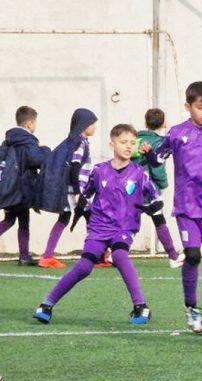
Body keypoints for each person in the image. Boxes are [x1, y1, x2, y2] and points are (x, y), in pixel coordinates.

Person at [33, 124, 162, 325]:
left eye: (132, 143)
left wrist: (152, 208)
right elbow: (86, 194)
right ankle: (47, 305)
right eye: (123, 142)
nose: (129, 146)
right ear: (112, 145)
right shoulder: (100, 170)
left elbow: (155, 196)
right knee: (84, 266)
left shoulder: (139, 172)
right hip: (100, 227)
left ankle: (140, 306)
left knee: (119, 255)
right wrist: (82, 208)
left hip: (124, 227)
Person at [141, 81, 202, 334]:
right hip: (186, 206)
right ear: (188, 106)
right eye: (200, 107)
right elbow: (158, 158)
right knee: (193, 256)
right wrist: (148, 153)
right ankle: (191, 308)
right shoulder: (176, 133)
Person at [37, 108, 98, 269]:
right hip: (77, 191)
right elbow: (75, 167)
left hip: (74, 191)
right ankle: (97, 255)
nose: (94, 127)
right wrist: (78, 192)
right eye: (92, 124)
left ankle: (47, 256)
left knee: (69, 219)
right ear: (84, 125)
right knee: (92, 220)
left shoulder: (78, 141)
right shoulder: (80, 142)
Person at [133, 108, 184, 268]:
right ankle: (173, 256)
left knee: (126, 221)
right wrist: (162, 183)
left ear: (145, 122)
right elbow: (157, 167)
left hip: (130, 187)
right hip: (148, 189)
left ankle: (111, 253)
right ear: (163, 123)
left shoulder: (133, 139)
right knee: (158, 219)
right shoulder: (160, 142)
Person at [0, 106, 50, 265]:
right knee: (17, 221)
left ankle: (25, 256)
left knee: (14, 219)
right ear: (29, 124)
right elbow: (36, 160)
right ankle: (24, 256)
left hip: (8, 189)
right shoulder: (28, 141)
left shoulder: (8, 141)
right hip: (21, 189)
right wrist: (45, 150)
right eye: (35, 122)